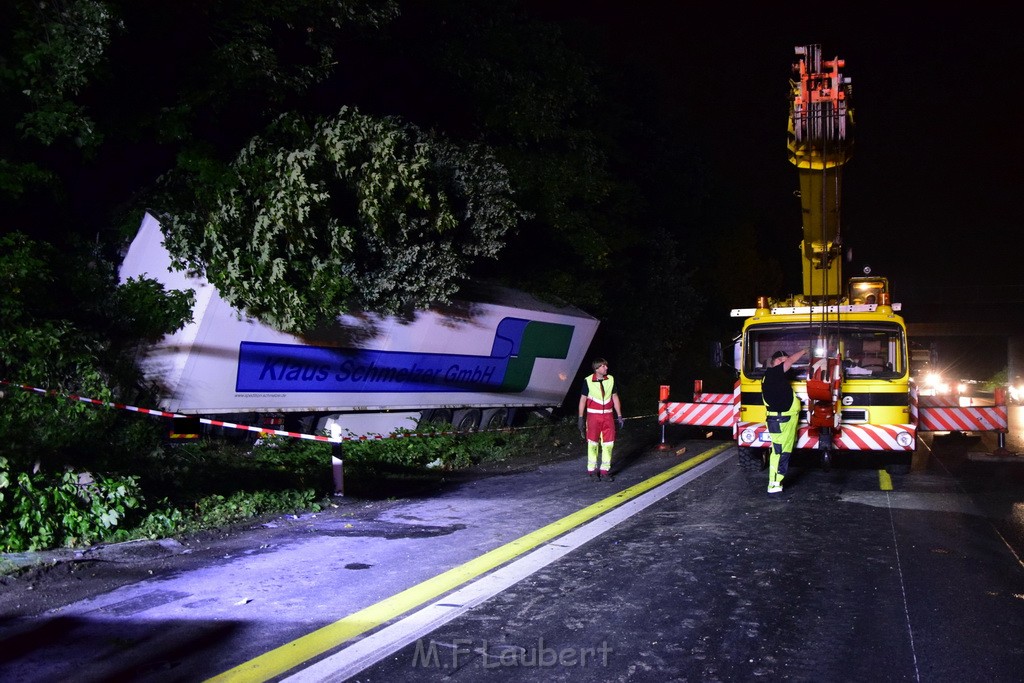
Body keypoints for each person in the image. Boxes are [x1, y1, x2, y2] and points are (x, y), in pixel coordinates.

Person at [761, 348, 807, 493]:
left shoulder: (777, 378)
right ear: (772, 363)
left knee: (783, 452)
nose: (784, 362)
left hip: (785, 420)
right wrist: (805, 351)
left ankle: (777, 483)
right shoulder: (773, 373)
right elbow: (791, 360)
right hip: (781, 421)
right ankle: (774, 484)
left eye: (784, 360)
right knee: (780, 453)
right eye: (780, 360)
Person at [578, 358, 624, 481]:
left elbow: (615, 397)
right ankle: (592, 470)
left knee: (608, 444)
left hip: (608, 416)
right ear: (597, 368)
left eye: (606, 366)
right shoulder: (588, 381)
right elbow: (583, 400)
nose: (606, 368)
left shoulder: (611, 380)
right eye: (603, 366)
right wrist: (581, 418)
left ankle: (604, 470)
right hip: (593, 416)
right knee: (592, 443)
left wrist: (619, 415)